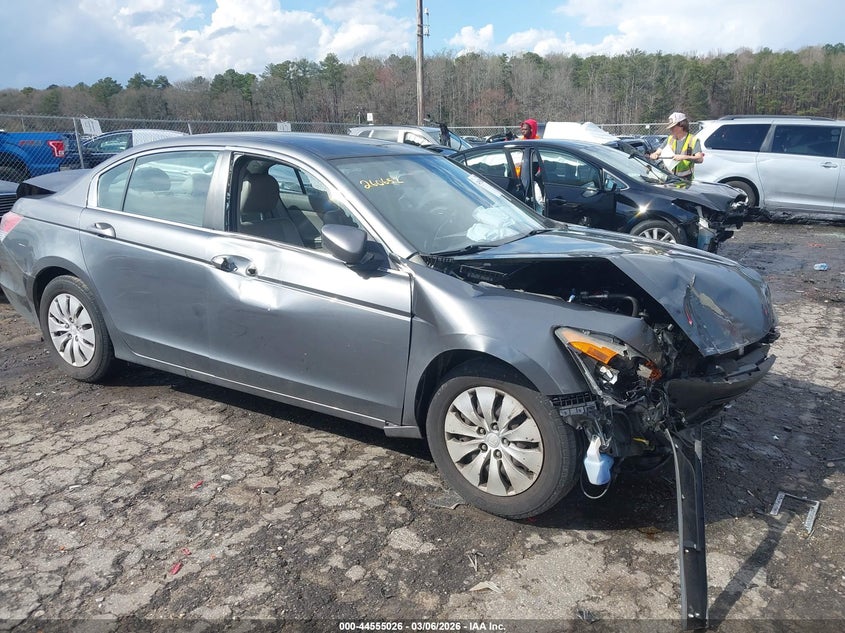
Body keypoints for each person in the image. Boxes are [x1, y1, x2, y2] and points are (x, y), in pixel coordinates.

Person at [650, 112, 704, 180]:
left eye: (673, 127)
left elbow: (700, 159)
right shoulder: (669, 139)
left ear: (682, 125)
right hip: (669, 179)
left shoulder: (693, 140)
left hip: (685, 180)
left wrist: (684, 157)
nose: (671, 129)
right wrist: (654, 155)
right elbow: (658, 152)